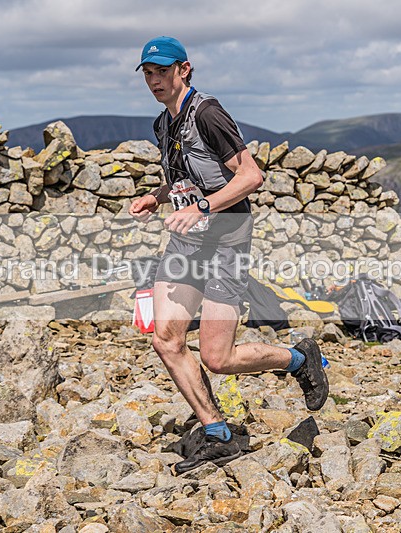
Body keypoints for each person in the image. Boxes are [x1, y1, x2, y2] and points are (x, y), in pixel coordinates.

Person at [128, 36, 329, 473]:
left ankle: (298, 359)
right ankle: (217, 431)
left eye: (162, 71)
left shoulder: (209, 114)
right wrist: (157, 197)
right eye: (148, 73)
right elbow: (190, 180)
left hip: (226, 243)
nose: (154, 80)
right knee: (167, 339)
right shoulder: (164, 124)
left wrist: (201, 207)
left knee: (218, 359)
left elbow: (251, 176)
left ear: (185, 70)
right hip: (187, 243)